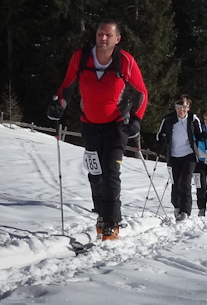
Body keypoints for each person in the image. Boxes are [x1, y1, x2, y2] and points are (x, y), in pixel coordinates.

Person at [48, 19, 148, 241]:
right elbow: (67, 86)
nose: (103, 38)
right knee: (95, 174)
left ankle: (111, 222)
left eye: (108, 35)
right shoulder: (81, 57)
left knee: (111, 172)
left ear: (117, 39)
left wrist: (137, 119)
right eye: (100, 34)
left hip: (116, 126)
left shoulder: (125, 61)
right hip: (90, 125)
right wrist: (59, 104)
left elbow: (142, 92)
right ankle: (102, 215)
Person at [156, 95, 203, 222]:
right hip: (173, 156)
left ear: (188, 107)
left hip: (189, 155)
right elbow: (159, 135)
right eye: (178, 107)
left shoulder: (193, 118)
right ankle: (177, 206)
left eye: (184, 107)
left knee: (185, 182)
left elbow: (198, 133)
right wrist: (163, 138)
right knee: (175, 183)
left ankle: (185, 211)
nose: (181, 110)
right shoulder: (168, 119)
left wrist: (202, 136)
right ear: (175, 107)